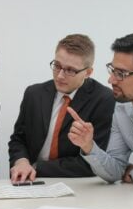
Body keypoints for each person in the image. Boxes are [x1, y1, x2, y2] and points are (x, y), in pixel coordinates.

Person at [68, 31, 133, 194]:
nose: (111, 80)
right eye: (112, 70)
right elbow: (115, 171)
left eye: (121, 74)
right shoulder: (123, 108)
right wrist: (88, 146)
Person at [9, 34, 115, 183]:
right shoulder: (34, 93)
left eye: (70, 70)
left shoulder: (104, 99)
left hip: (78, 184)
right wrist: (21, 162)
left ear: (88, 72)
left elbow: (93, 162)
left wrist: (37, 167)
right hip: (29, 181)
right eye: (57, 66)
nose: (59, 76)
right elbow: (18, 140)